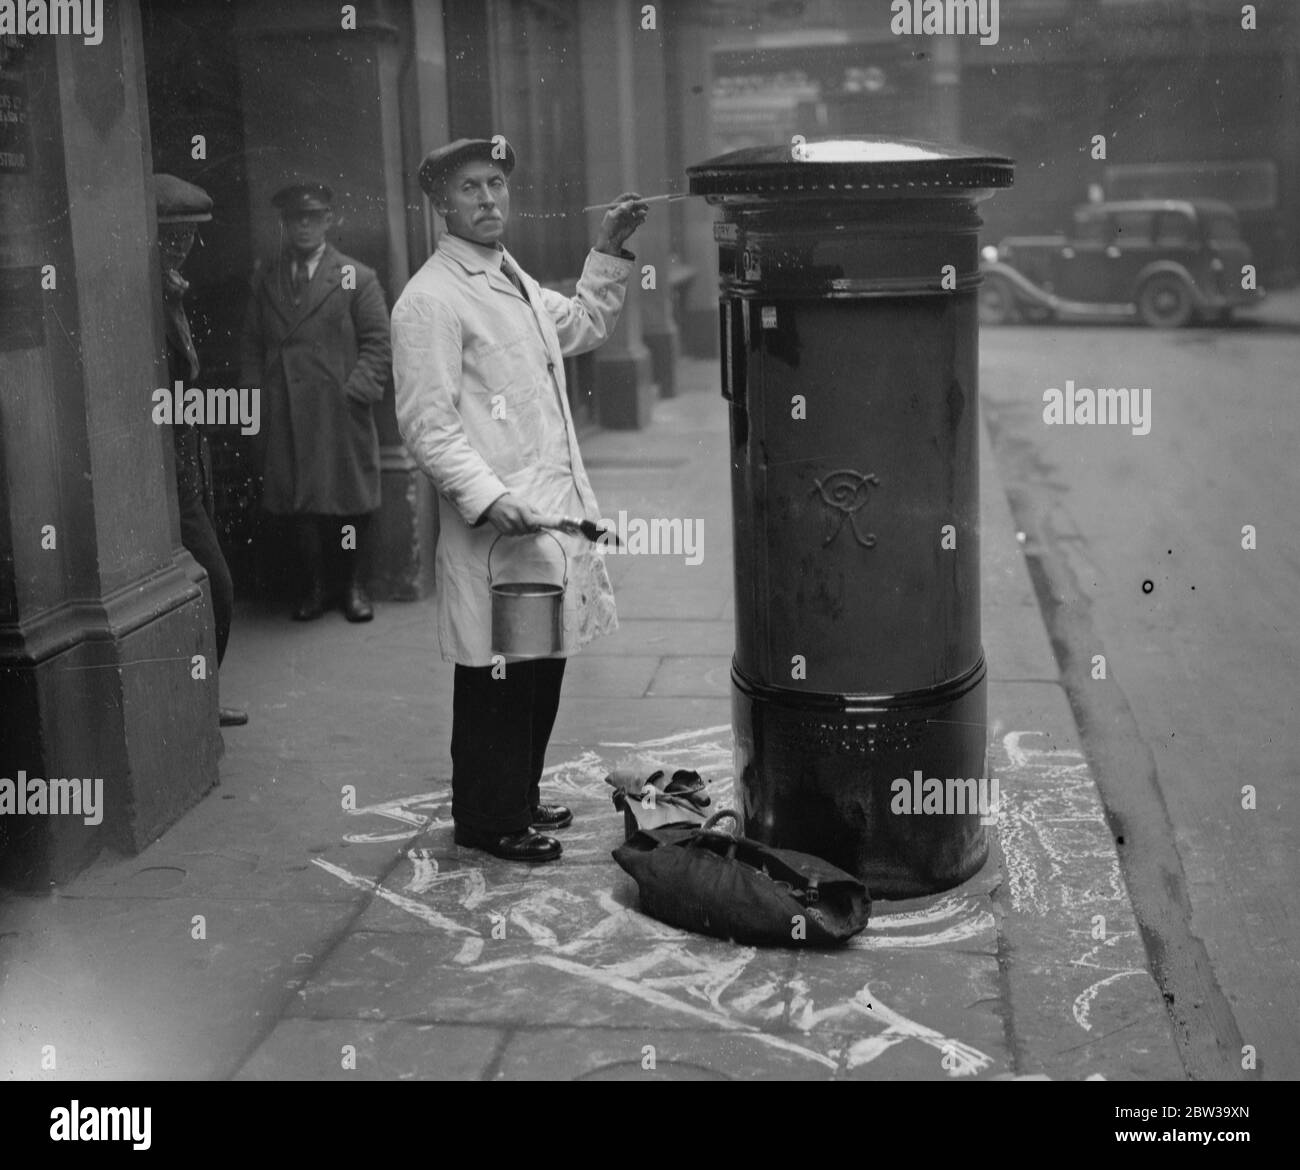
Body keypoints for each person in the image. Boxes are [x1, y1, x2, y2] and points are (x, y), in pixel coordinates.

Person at [391, 137, 647, 863]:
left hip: (549, 521)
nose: (488, 200)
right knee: (496, 676)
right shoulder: (430, 300)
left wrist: (607, 251)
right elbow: (426, 425)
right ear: (441, 204)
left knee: (539, 665)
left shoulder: (512, 277)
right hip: (499, 527)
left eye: (497, 184)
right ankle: (488, 818)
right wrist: (490, 497)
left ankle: (520, 795)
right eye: (470, 189)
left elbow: (581, 325)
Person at [239, 181, 391, 623]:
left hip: (337, 412)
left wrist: (355, 392)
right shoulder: (266, 280)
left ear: (329, 220)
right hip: (284, 409)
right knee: (296, 506)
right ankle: (313, 588)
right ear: (284, 225)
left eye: (313, 217)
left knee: (346, 502)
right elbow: (251, 347)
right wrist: (256, 404)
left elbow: (379, 343)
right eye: (294, 219)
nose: (303, 226)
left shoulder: (355, 276)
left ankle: (352, 588)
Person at [155, 173, 247, 729]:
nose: (183, 246)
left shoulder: (171, 288)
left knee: (212, 580)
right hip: (166, 464)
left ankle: (201, 698)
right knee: (217, 583)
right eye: (172, 236)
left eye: (189, 236)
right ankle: (196, 701)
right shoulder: (149, 297)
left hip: (188, 455)